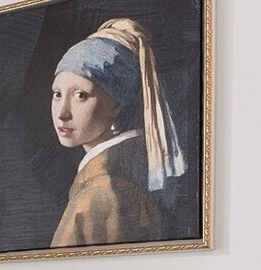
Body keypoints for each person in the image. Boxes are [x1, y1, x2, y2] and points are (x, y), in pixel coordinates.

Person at [48, 17, 185, 249]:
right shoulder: (112, 178)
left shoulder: (103, 190)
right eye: (57, 94)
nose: (62, 113)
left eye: (81, 95)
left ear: (116, 104)